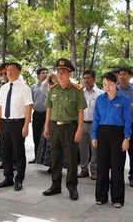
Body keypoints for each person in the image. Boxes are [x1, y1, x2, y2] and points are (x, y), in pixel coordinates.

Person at [42, 58, 87, 201]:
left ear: (70, 74)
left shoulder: (77, 90)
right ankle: (55, 185)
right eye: (58, 72)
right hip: (55, 126)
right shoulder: (53, 89)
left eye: (64, 72)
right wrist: (46, 126)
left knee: (71, 159)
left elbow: (80, 111)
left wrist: (79, 129)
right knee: (55, 158)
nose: (60, 74)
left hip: (70, 127)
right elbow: (49, 108)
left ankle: (72, 187)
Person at [91, 72, 131, 208]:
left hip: (118, 134)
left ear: (116, 84)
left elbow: (127, 121)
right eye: (104, 84)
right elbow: (96, 118)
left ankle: (117, 198)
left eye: (110, 84)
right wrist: (94, 136)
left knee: (117, 167)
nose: (107, 87)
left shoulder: (124, 100)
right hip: (102, 133)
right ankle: (101, 196)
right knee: (102, 166)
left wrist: (127, 138)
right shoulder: (100, 99)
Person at [0, 62, 33, 191]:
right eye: (8, 70)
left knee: (19, 153)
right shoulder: (3, 88)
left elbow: (29, 107)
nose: (9, 72)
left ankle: (19, 179)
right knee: (5, 152)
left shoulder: (24, 88)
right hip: (4, 122)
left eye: (12, 70)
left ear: (18, 72)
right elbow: (0, 106)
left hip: (18, 122)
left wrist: (26, 126)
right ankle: (8, 178)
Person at [117, 67, 133, 188]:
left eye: (124, 74)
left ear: (129, 76)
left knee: (132, 153)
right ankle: (117, 176)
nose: (122, 76)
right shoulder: (114, 89)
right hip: (117, 126)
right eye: (120, 74)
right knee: (117, 153)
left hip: (131, 125)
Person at [78, 70, 103, 180]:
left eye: (88, 78)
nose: (86, 80)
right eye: (84, 78)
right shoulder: (80, 93)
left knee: (95, 149)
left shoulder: (100, 94)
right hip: (82, 123)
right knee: (82, 148)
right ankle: (84, 169)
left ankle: (94, 170)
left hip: (95, 125)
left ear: (94, 79)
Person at [29, 67, 49, 164]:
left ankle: (45, 159)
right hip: (37, 114)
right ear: (38, 75)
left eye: (46, 73)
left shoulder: (50, 86)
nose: (45, 74)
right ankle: (36, 156)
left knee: (46, 137)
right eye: (42, 73)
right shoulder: (33, 87)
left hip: (47, 114)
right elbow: (31, 101)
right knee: (36, 136)